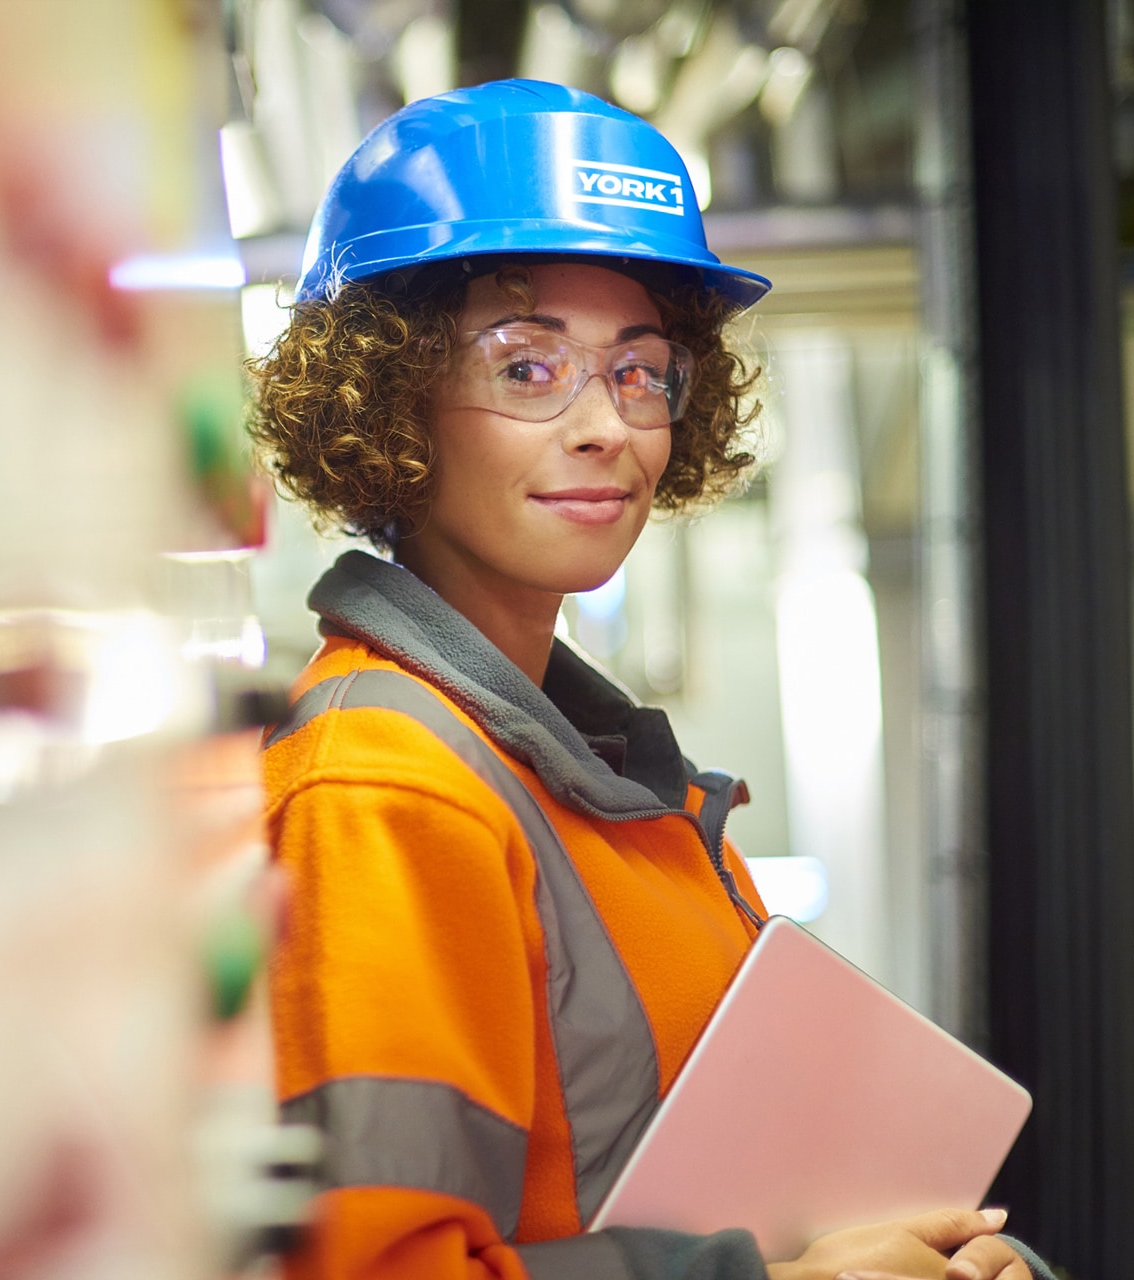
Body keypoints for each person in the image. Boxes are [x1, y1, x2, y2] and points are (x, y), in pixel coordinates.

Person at [247, 79, 1057, 1280]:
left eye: (638, 370)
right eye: (526, 368)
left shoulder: (624, 793)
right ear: (387, 398)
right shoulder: (386, 790)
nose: (604, 426)